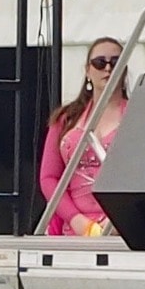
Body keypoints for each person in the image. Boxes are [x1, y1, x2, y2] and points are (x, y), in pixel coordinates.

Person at [39, 37, 128, 236]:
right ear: (87, 70)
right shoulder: (65, 119)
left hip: (122, 230)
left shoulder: (137, 115)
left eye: (115, 62)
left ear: (124, 69)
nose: (107, 68)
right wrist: (75, 219)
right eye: (99, 63)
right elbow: (48, 178)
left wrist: (120, 218)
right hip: (73, 230)